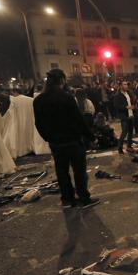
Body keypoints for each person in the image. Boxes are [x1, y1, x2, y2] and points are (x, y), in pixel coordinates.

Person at [34, 69, 99, 209]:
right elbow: (78, 120)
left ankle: (67, 200)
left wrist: (48, 138)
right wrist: (91, 137)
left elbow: (38, 124)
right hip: (72, 141)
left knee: (61, 171)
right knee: (79, 171)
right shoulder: (67, 97)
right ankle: (84, 198)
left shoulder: (39, 100)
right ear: (62, 80)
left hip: (55, 143)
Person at [114, 81, 136, 154]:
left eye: (127, 84)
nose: (126, 86)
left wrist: (133, 105)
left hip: (131, 114)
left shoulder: (129, 93)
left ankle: (129, 146)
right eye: (124, 84)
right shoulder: (118, 95)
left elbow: (131, 102)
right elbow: (116, 106)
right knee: (124, 132)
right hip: (124, 116)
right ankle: (119, 148)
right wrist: (126, 107)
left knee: (130, 132)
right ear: (120, 86)